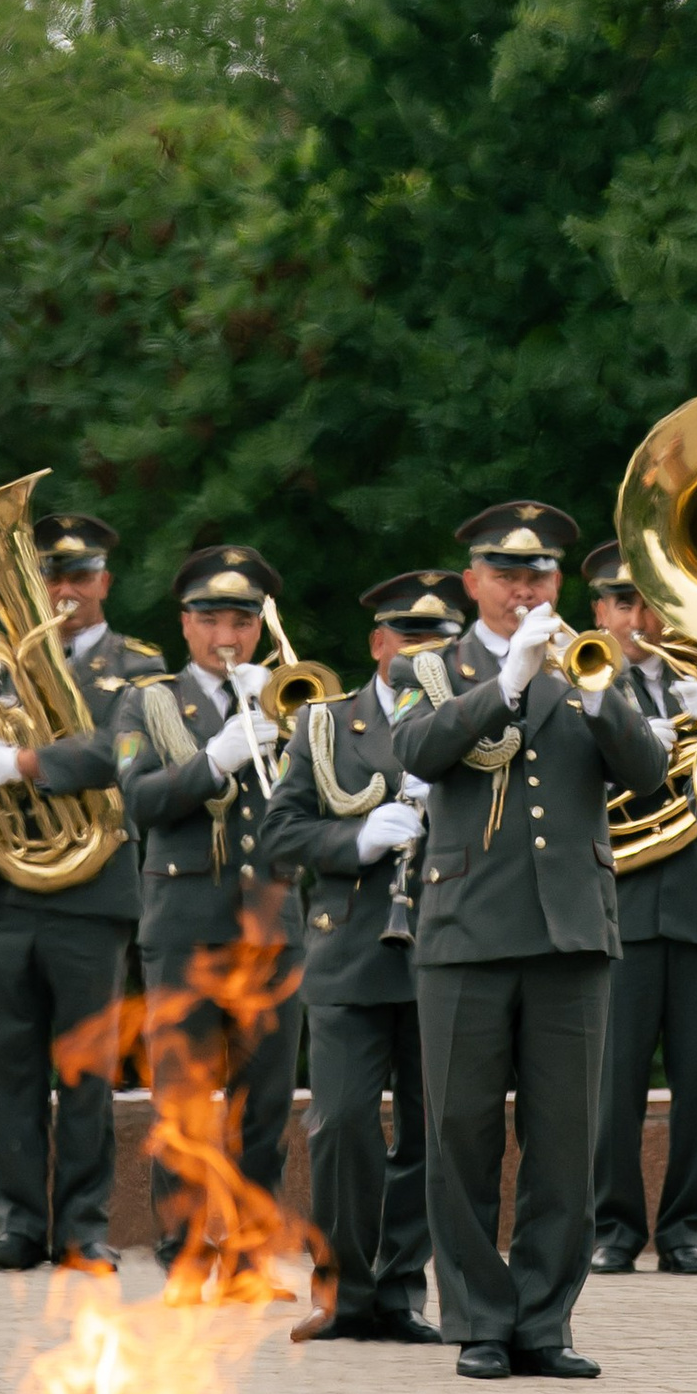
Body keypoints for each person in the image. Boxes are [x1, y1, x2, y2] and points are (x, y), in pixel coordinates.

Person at [385, 497, 668, 1378]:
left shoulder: (592, 666)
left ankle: (546, 1321)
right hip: (467, 929)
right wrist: (505, 683)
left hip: (571, 931)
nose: (524, 588)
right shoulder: (429, 668)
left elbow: (653, 779)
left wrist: (598, 692)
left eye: (538, 574)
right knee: (461, 1133)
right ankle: (477, 1319)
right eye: (506, 574)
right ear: (472, 581)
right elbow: (416, 752)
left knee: (564, 1141)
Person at [0, 506, 155, 1276]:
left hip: (92, 893)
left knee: (87, 1073)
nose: (66, 588)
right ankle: (17, 1223)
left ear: (104, 580)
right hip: (6, 886)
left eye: (79, 575)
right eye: (52, 576)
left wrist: (30, 765)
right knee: (7, 1071)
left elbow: (128, 749)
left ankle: (82, 1226)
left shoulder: (139, 670)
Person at [253, 569, 443, 1344]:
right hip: (351, 950)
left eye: (439, 641)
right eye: (409, 637)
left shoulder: (474, 722)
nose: (421, 653)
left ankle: (401, 1291)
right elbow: (278, 835)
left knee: (431, 1134)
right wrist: (354, 840)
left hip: (443, 949)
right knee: (340, 1126)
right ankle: (342, 1291)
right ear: (378, 643)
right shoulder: (328, 726)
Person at [112, 543, 310, 1258]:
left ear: (260, 627)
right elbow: (139, 801)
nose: (228, 635)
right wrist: (215, 759)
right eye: (212, 619)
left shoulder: (293, 698)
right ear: (187, 624)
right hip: (186, 924)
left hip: (271, 926)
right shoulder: (148, 699)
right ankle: (185, 1249)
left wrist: (285, 730)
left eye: (242, 621)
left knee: (266, 1109)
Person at [582, 541, 697, 1280]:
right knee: (614, 1085)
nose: (636, 617)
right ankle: (614, 1227)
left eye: (647, 603)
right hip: (620, 907)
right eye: (621, 603)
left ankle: (687, 1230)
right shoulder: (579, 684)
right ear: (598, 612)